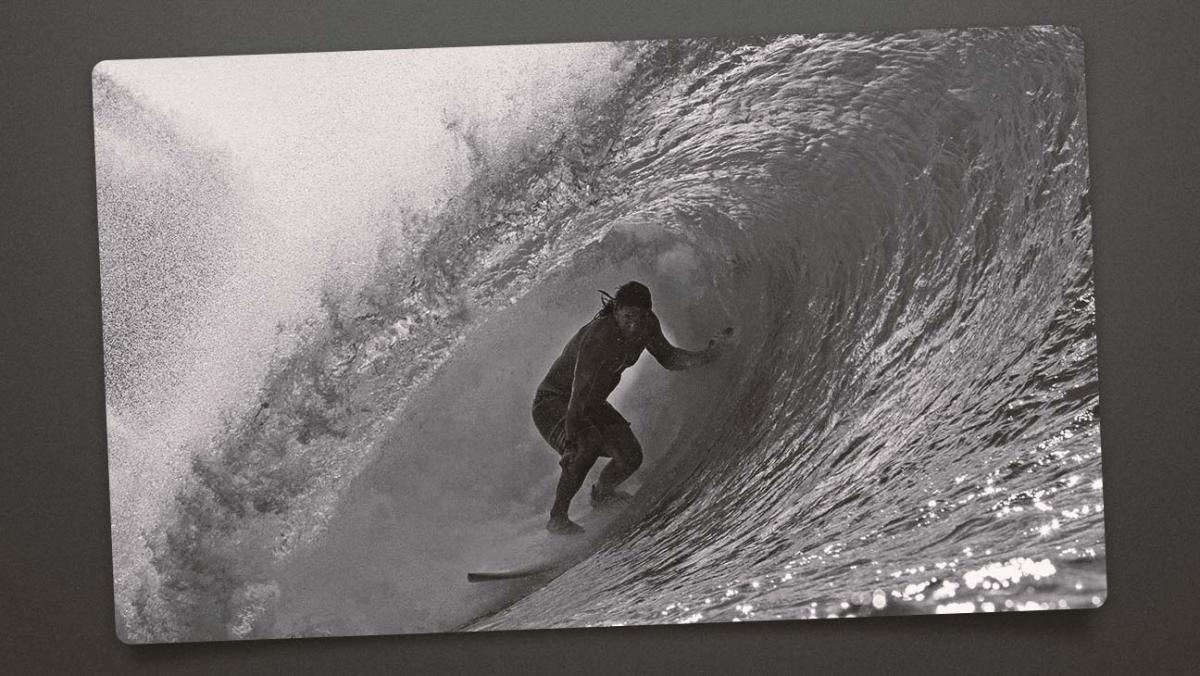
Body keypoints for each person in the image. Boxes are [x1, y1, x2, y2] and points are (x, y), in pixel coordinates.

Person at [531, 281, 733, 534]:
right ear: (616, 312)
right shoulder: (598, 338)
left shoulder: (647, 327)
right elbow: (577, 397)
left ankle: (602, 495)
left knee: (630, 457)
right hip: (554, 402)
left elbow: (669, 358)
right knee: (587, 443)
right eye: (628, 317)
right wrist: (571, 444)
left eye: (640, 317)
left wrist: (707, 355)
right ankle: (557, 518)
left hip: (592, 405)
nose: (634, 325)